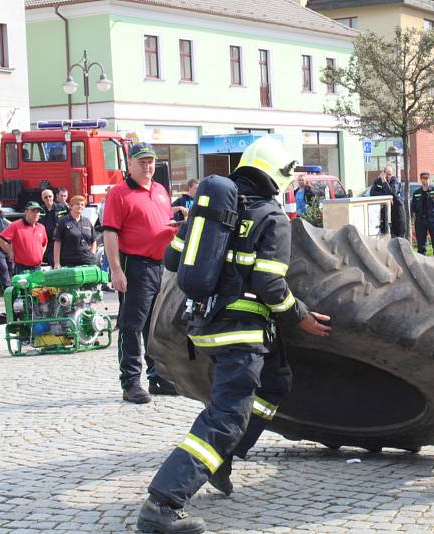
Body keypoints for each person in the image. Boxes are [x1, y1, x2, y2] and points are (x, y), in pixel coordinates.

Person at [136, 136, 332, 534]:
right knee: (226, 415)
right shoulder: (271, 216)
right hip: (242, 331)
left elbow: (173, 257)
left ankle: (222, 459)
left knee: (275, 383)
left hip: (206, 324)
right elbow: (270, 286)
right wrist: (301, 316)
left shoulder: (212, 209)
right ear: (277, 176)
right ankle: (162, 504)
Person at [103, 142, 178, 404]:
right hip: (135, 266)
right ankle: (131, 382)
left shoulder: (159, 190)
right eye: (142, 162)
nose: (148, 166)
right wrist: (115, 270)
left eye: (151, 162)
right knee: (132, 326)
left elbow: (163, 224)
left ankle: (158, 376)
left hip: (161, 266)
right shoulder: (118, 194)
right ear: (130, 165)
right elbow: (110, 233)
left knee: (155, 325)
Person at [0, 201, 47, 274]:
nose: (36, 214)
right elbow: (0, 239)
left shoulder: (41, 227)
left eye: (38, 211)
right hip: (22, 268)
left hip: (37, 268)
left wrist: (40, 254)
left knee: (38, 286)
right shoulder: (16, 225)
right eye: (33, 211)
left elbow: (44, 243)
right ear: (26, 212)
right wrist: (10, 252)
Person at [53, 195, 97, 268]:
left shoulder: (87, 221)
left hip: (87, 261)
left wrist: (92, 254)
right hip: (69, 262)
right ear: (71, 206)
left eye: (82, 205)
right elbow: (57, 242)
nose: (80, 206)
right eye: (77, 204)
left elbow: (94, 240)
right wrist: (57, 263)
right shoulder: (63, 222)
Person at [411, 172, 434, 256]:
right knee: (421, 244)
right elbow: (413, 208)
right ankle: (422, 258)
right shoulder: (416, 193)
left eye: (427, 178)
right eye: (424, 178)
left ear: (430, 179)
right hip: (420, 221)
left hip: (432, 220)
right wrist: (413, 221)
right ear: (421, 180)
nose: (426, 180)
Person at [371, 166, 406, 238]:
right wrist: (386, 197)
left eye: (390, 174)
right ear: (383, 173)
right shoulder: (377, 181)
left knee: (399, 235)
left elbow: (391, 193)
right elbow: (372, 193)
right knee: (386, 234)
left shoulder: (394, 180)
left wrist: (384, 181)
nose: (388, 176)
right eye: (386, 174)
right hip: (384, 211)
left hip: (396, 210)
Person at [39, 189, 68, 265]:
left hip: (60, 241)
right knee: (50, 263)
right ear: (42, 199)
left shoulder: (62, 208)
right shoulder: (40, 211)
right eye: (45, 197)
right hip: (47, 242)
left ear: (53, 197)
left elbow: (69, 221)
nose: (48, 198)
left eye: (50, 196)